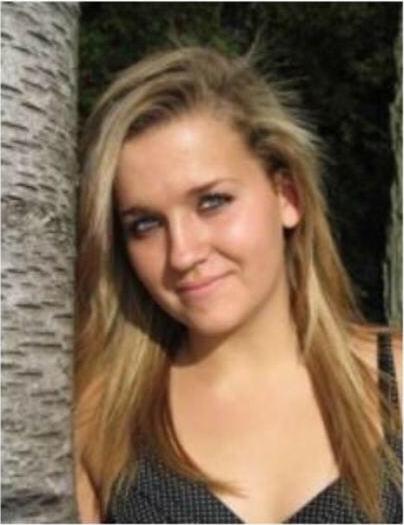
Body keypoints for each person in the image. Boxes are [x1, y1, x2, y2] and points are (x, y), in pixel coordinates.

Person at [74, 47, 402, 524]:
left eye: (212, 202)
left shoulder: (396, 382)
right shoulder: (101, 418)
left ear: (287, 196)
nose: (183, 253)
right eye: (145, 225)